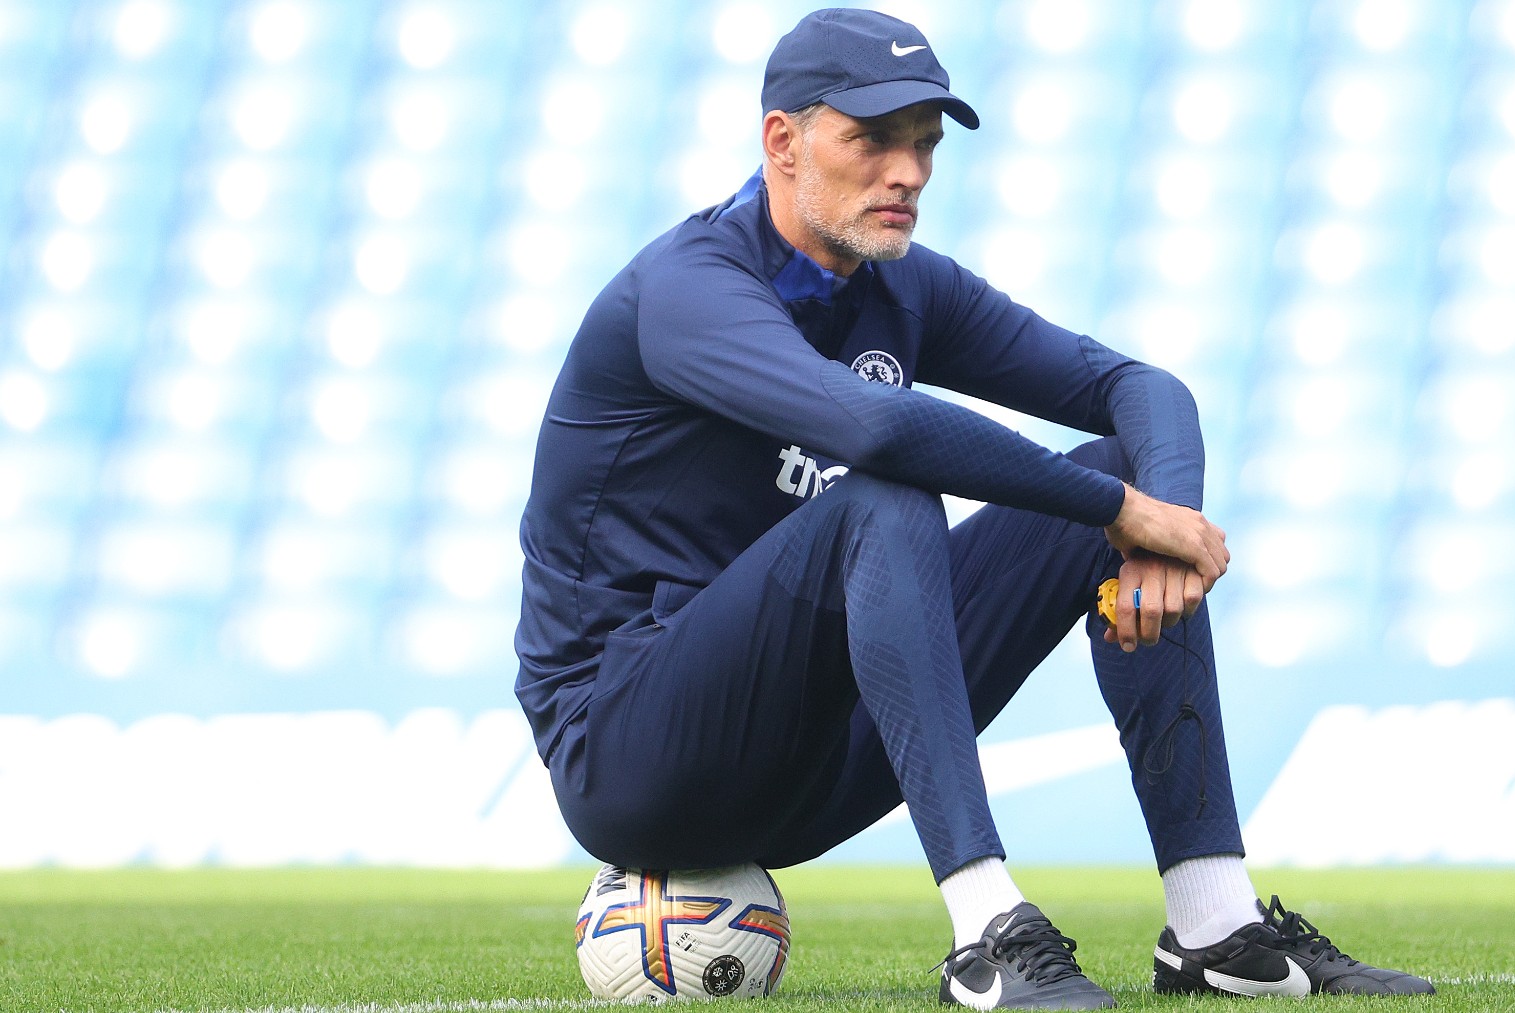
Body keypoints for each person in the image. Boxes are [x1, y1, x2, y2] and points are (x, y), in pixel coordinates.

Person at [515, 7, 1433, 1007]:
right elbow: (875, 430)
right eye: (873, 139)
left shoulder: (899, 288)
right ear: (783, 140)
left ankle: (1213, 925)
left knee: (1116, 470)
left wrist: (1153, 514)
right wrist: (1126, 506)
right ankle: (988, 931)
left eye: (924, 143)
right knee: (896, 493)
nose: (907, 171)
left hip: (810, 758)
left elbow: (1142, 387)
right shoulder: (686, 288)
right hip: (630, 751)